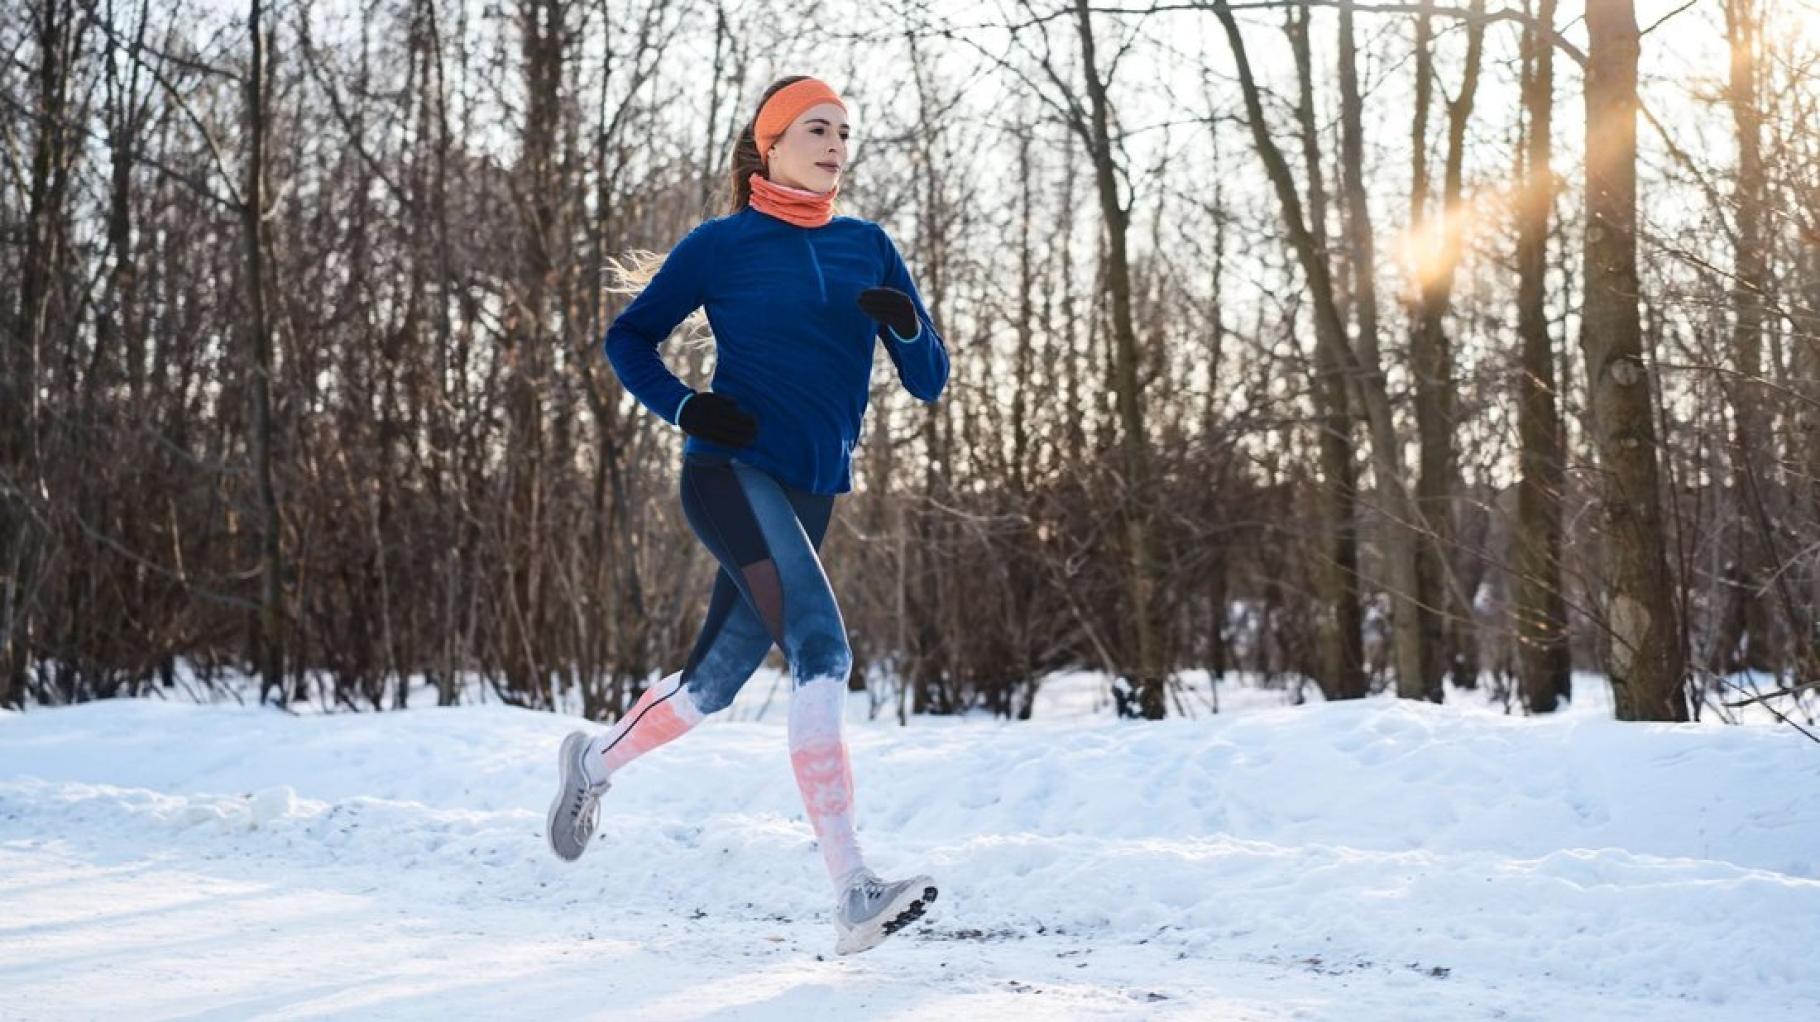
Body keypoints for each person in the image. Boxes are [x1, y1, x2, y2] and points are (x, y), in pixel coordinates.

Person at [544, 76, 949, 956]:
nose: (836, 144)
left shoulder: (869, 246)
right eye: (817, 128)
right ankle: (853, 891)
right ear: (771, 143)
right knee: (822, 649)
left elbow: (929, 382)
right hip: (730, 471)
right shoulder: (721, 245)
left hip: (812, 488)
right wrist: (687, 410)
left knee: (715, 684)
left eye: (845, 131)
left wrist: (909, 328)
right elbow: (628, 338)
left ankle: (595, 763)